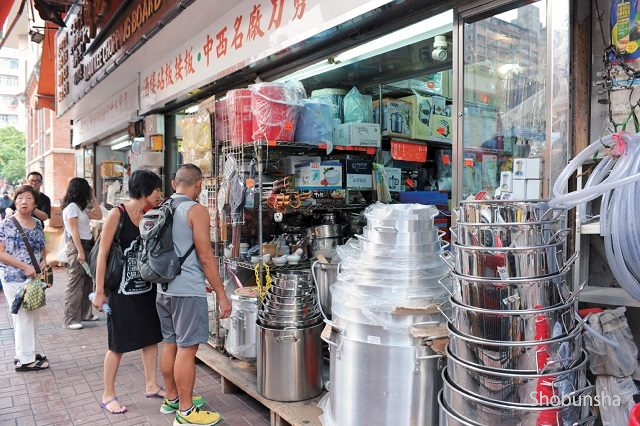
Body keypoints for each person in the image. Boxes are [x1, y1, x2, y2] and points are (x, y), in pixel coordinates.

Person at [156, 164, 231, 426]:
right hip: (186, 290)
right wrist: (222, 293)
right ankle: (186, 413)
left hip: (163, 288)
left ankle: (172, 399)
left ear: (175, 182)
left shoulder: (161, 207)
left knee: (170, 343)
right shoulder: (196, 210)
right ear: (198, 184)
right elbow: (205, 256)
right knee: (187, 349)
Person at [91, 170, 166, 415]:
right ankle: (108, 394)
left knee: (150, 337)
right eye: (157, 190)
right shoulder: (117, 214)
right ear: (144, 191)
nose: (159, 195)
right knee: (117, 344)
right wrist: (99, 290)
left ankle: (151, 385)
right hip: (120, 291)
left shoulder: (150, 215)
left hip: (145, 288)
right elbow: (102, 253)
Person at [0, 186, 50, 371]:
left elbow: (42, 247)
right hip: (13, 276)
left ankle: (23, 352)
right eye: (20, 198)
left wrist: (44, 260)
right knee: (24, 315)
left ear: (35, 204)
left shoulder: (37, 224)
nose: (23, 201)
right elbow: (1, 253)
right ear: (15, 201)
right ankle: (26, 360)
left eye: (28, 198)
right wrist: (25, 267)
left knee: (32, 315)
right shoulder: (7, 224)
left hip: (34, 278)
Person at [61, 178, 102, 329]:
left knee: (87, 282)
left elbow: (98, 215)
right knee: (75, 283)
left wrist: (94, 198)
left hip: (87, 246)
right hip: (77, 246)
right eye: (87, 190)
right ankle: (70, 319)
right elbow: (74, 231)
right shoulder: (72, 207)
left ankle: (85, 314)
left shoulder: (81, 208)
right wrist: (80, 252)